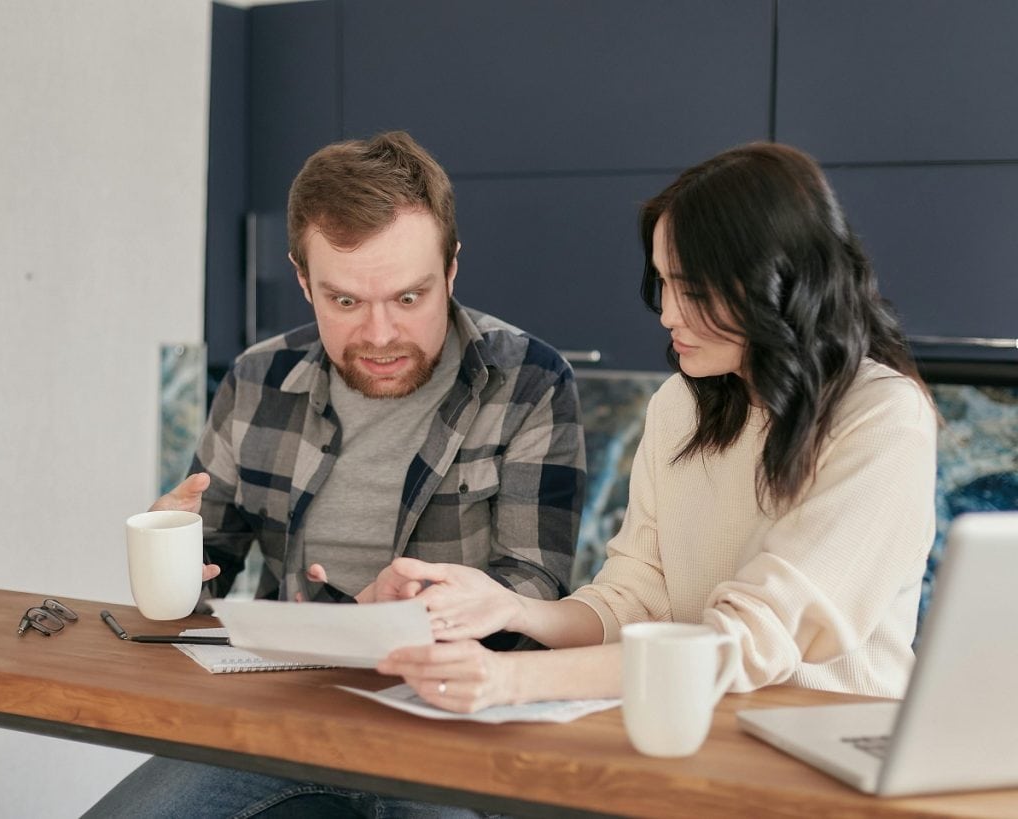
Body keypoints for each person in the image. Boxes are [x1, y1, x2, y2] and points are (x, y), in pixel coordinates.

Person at [85, 131, 584, 818]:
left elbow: (533, 592)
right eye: (345, 301)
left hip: (451, 723)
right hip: (282, 713)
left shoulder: (528, 380)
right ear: (302, 279)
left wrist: (406, 620)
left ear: (452, 268)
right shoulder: (258, 379)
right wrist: (176, 556)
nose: (379, 335)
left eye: (409, 298)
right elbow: (211, 577)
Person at [374, 142, 938, 713]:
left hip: (836, 753)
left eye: (692, 290)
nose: (667, 314)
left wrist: (510, 678)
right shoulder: (681, 405)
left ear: (776, 282)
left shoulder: (883, 418)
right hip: (701, 731)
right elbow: (636, 598)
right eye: (664, 283)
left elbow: (750, 639)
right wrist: (511, 609)